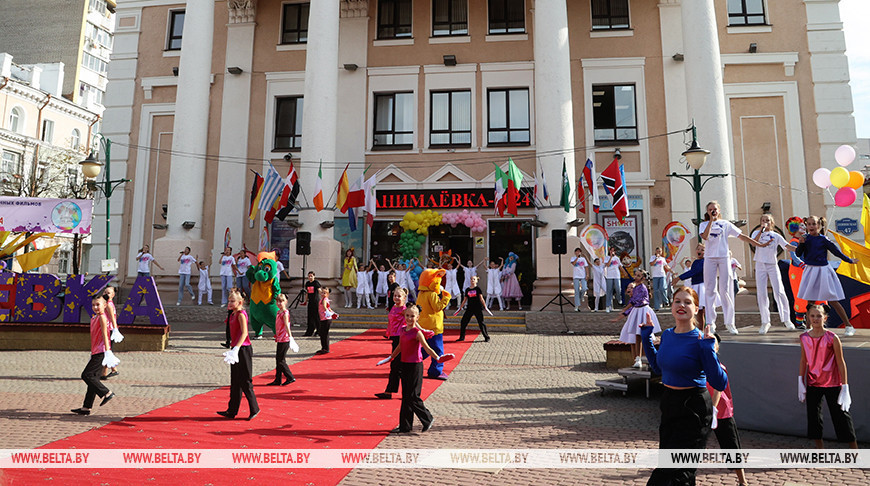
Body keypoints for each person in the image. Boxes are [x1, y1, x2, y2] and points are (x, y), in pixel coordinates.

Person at [640, 286, 728, 485]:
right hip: (670, 404)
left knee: (679, 472)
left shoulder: (701, 339)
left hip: (693, 408)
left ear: (696, 309)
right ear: (671, 306)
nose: (681, 305)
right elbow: (657, 367)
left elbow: (720, 382)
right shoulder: (669, 335)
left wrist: (708, 351)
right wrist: (646, 337)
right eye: (677, 301)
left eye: (687, 302)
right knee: (669, 467)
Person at [700, 201, 766, 334]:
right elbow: (705, 237)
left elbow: (741, 236)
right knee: (710, 289)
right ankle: (710, 323)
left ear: (719, 210)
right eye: (710, 209)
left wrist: (757, 244)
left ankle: (730, 322)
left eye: (715, 209)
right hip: (710, 258)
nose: (713, 211)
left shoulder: (726, 224)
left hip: (724, 257)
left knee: (726, 289)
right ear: (707, 212)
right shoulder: (704, 224)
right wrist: (711, 221)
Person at [378, 305, 446, 433]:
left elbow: (427, 348)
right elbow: (400, 346)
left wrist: (438, 357)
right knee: (405, 397)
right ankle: (405, 426)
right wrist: (390, 357)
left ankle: (427, 418)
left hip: (415, 366)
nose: (409, 318)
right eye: (407, 316)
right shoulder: (403, 330)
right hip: (404, 365)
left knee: (413, 396)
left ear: (417, 317)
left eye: (412, 316)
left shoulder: (417, 333)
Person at [798, 305, 858, 449]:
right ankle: (820, 451)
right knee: (814, 418)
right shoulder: (804, 338)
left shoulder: (832, 338)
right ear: (808, 317)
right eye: (812, 316)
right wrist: (800, 380)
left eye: (819, 316)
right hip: (813, 382)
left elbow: (840, 362)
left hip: (832, 383)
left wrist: (845, 387)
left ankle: (855, 450)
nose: (815, 319)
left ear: (825, 318)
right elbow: (803, 360)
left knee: (842, 416)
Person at [795, 215, 857, 337]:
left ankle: (849, 325)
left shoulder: (824, 239)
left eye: (814, 224)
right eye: (809, 224)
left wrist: (849, 260)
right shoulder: (805, 239)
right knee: (810, 301)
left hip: (823, 271)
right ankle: (808, 327)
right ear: (806, 226)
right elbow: (798, 254)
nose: (811, 226)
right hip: (810, 270)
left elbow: (836, 252)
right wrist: (801, 244)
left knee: (833, 300)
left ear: (819, 225)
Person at [706, 334, 748, 486]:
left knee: (731, 446)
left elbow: (718, 389)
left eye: (713, 343)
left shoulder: (719, 367)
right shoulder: (697, 366)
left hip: (722, 412)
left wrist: (714, 410)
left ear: (717, 347)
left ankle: (742, 481)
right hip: (702, 411)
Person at [217, 289, 259, 420]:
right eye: (229, 300)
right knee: (235, 381)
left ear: (240, 302)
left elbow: (245, 333)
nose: (229, 303)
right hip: (235, 348)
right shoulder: (232, 314)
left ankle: (254, 408)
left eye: (232, 301)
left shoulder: (241, 314)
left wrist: (236, 348)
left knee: (245, 380)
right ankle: (232, 410)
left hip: (243, 349)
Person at [750, 214, 797, 334]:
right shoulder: (756, 233)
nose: (766, 222)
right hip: (760, 264)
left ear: (772, 223)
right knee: (761, 293)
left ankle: (786, 319)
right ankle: (765, 321)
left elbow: (787, 246)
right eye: (763, 220)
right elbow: (754, 243)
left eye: (768, 220)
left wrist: (800, 248)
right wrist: (761, 230)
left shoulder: (776, 236)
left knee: (779, 291)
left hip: (772, 264)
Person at [71, 296, 116, 415]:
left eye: (98, 305)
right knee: (93, 379)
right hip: (96, 351)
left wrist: (108, 351)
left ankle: (106, 392)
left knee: (87, 375)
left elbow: (106, 335)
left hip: (101, 351)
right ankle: (86, 407)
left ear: (105, 305)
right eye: (93, 305)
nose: (95, 307)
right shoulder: (95, 317)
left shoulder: (102, 317)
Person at [616, 269, 660, 368]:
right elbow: (632, 300)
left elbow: (635, 300)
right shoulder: (635, 288)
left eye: (639, 276)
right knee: (636, 335)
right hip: (636, 310)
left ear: (643, 278)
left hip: (642, 311)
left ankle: (644, 358)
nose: (636, 277)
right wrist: (626, 311)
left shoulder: (642, 288)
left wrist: (625, 309)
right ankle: (637, 358)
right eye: (635, 275)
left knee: (641, 335)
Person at [375, 287, 409, 400]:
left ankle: (402, 392)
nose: (396, 298)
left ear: (404, 298)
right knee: (396, 366)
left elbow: (413, 322)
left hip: (402, 338)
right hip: (395, 338)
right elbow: (390, 322)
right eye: (395, 295)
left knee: (399, 366)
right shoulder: (393, 307)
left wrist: (423, 332)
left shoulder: (405, 310)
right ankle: (390, 391)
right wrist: (388, 333)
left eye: (399, 296)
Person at [673, 244, 715, 329]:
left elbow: (694, 272)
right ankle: (701, 330)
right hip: (696, 286)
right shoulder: (696, 262)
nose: (700, 251)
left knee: (705, 310)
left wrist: (679, 278)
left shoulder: (705, 261)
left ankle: (710, 327)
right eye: (698, 249)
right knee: (699, 311)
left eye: (702, 250)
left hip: (702, 286)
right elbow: (693, 272)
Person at [267, 293, 297, 386]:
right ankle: (278, 379)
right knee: (278, 359)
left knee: (281, 360)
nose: (279, 303)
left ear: (286, 302)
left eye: (281, 301)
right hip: (280, 338)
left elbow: (287, 326)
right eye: (278, 301)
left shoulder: (284, 313)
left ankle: (290, 376)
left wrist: (291, 337)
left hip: (285, 339)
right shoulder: (278, 312)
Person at [458, 275, 490, 342]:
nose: (472, 280)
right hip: (470, 308)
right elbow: (465, 299)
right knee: (463, 322)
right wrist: (460, 307)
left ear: (476, 281)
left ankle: (486, 337)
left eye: (474, 279)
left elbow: (481, 298)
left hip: (477, 307)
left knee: (481, 322)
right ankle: (462, 337)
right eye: (471, 279)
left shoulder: (478, 289)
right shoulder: (467, 289)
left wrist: (485, 306)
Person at [100, 286, 121, 380]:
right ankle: (114, 369)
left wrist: (115, 329)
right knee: (107, 349)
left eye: (108, 293)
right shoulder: (108, 303)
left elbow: (112, 317)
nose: (105, 294)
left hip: (109, 329)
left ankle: (104, 373)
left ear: (113, 295)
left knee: (106, 350)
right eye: (104, 292)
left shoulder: (108, 304)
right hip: (108, 329)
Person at [316, 287, 338, 354]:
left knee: (323, 334)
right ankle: (325, 348)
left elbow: (325, 307)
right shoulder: (325, 298)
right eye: (322, 292)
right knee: (324, 333)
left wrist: (328, 312)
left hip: (325, 318)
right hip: (325, 318)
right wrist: (333, 313)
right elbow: (329, 308)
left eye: (324, 293)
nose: (322, 294)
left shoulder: (324, 299)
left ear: (327, 294)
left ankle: (325, 348)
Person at [302, 271, 322, 337]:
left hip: (316, 302)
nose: (310, 277)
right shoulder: (307, 283)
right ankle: (309, 331)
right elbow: (307, 293)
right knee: (310, 317)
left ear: (314, 276)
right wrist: (305, 301)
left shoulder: (316, 283)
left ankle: (319, 331)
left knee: (316, 317)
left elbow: (319, 291)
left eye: (311, 276)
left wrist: (323, 298)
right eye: (309, 276)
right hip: (310, 302)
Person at [570, 248, 589, 312]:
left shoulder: (583, 259)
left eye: (579, 252)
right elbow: (574, 264)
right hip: (576, 276)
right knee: (576, 291)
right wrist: (577, 258)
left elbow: (586, 267)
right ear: (575, 252)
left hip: (582, 276)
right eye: (577, 252)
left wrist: (587, 274)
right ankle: (577, 306)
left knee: (584, 288)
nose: (578, 253)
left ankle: (581, 296)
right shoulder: (573, 258)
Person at [604, 247, 622, 312]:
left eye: (613, 250)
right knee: (609, 290)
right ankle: (608, 306)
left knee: (618, 288)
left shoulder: (617, 258)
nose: (612, 251)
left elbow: (620, 266)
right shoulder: (607, 258)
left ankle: (619, 298)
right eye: (611, 250)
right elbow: (607, 265)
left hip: (616, 275)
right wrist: (611, 257)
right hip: (609, 276)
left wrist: (625, 273)